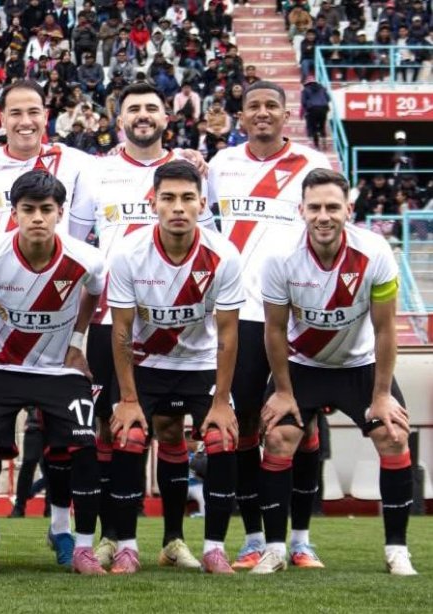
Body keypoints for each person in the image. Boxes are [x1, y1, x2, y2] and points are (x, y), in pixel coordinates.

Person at [254, 168, 417, 576]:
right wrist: (284, 393)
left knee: (393, 434)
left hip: (358, 366)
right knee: (278, 436)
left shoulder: (375, 251)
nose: (323, 216)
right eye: (314, 208)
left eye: (332, 207)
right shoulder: (278, 255)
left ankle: (397, 550)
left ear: (348, 209)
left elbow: (385, 330)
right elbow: (273, 329)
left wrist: (381, 396)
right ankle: (275, 548)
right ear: (301, 211)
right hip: (300, 365)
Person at [86, 82, 215, 568]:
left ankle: (174, 539)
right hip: (111, 319)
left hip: (176, 317)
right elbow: (80, 243)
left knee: (170, 429)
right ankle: (112, 535)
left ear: (168, 117)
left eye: (151, 108)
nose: (143, 115)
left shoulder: (189, 171)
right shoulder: (95, 173)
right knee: (111, 430)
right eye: (133, 109)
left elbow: (211, 236)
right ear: (118, 119)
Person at [206, 80, 331, 570]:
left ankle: (301, 539)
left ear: (287, 114)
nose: (262, 113)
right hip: (238, 317)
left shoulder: (313, 166)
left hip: (294, 318)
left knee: (297, 427)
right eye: (253, 106)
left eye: (271, 106)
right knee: (241, 432)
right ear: (241, 115)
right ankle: (254, 536)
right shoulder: (220, 166)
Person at [0, 169, 106, 576]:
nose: (37, 218)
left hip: (60, 371)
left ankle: (78, 545)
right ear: (14, 213)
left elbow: (94, 289)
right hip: (0, 366)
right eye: (28, 210)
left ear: (61, 212)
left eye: (46, 209)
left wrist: (78, 342)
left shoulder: (86, 257)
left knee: (84, 449)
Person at [108, 160, 244, 574]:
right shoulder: (129, 253)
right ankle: (128, 546)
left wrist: (222, 401)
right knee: (130, 437)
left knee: (221, 439)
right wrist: (129, 399)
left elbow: (228, 335)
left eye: (188, 198)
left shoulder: (223, 254)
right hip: (148, 364)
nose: (178, 207)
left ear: (203, 203)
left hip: (200, 364)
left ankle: (212, 547)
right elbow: (121, 332)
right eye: (168, 198)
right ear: (153, 203)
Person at [0, 80, 97, 240]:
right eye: (16, 113)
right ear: (3, 119)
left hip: (58, 264)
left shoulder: (75, 161)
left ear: (45, 117)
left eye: (33, 112)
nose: (26, 121)